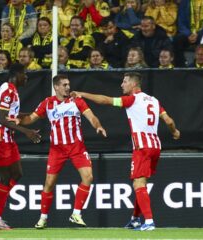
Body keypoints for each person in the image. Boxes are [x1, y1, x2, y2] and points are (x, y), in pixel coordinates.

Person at [71, 72, 181, 231]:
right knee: (141, 183)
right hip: (155, 146)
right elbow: (169, 121)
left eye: (125, 82)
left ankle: (149, 222)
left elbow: (105, 100)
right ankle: (135, 219)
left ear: (134, 84)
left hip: (141, 146)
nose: (122, 85)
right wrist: (175, 132)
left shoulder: (132, 100)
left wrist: (83, 94)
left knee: (138, 183)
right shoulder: (154, 101)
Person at [17, 74, 107, 229]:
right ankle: (43, 218)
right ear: (56, 87)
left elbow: (91, 117)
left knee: (88, 177)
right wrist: (18, 120)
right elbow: (31, 118)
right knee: (49, 183)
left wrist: (97, 125)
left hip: (77, 147)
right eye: (64, 85)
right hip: (57, 149)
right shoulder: (47, 103)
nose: (68, 87)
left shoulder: (77, 100)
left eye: (68, 84)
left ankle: (76, 214)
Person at [0, 63, 41, 230]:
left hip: (7, 136)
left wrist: (34, 115)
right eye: (25, 74)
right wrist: (26, 131)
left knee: (18, 174)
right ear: (17, 75)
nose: (27, 77)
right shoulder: (8, 90)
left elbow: (11, 115)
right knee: (6, 176)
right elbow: (1, 119)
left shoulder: (11, 90)